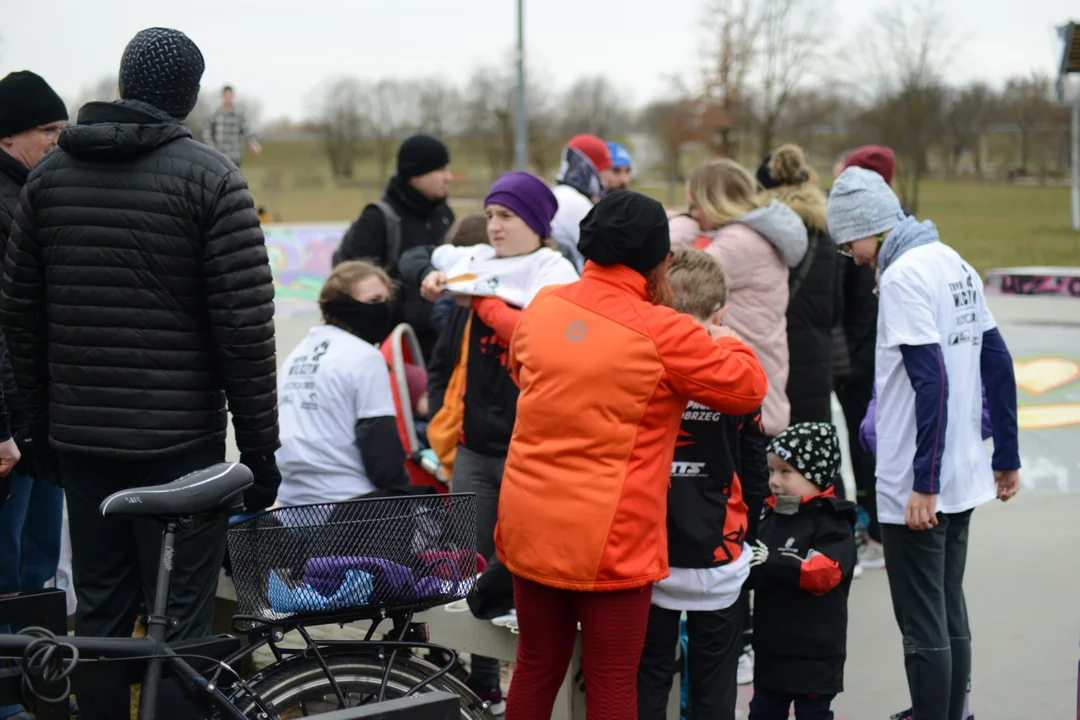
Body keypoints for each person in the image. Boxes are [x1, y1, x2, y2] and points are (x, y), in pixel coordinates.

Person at [0, 28, 281, 720]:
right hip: (180, 452)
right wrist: (261, 453)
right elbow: (244, 335)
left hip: (82, 444)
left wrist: (38, 436)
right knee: (182, 630)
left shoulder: (49, 179)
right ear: (188, 98)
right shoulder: (212, 177)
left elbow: (21, 323)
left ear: (123, 85)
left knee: (98, 623)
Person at [495, 190, 768, 720]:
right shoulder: (665, 331)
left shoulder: (545, 306)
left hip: (529, 524)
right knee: (613, 683)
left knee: (536, 665)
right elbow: (748, 388)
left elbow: (522, 373)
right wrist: (726, 338)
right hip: (610, 538)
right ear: (660, 261)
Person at [827, 167, 1020, 720]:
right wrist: (1005, 455)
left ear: (870, 227)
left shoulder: (905, 276)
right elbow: (997, 361)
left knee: (920, 619)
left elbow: (928, 378)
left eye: (850, 244)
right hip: (959, 468)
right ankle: (952, 712)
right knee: (947, 605)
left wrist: (921, 484)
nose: (852, 256)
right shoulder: (952, 260)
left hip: (919, 480)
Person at [413, 171, 578, 711]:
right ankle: (481, 680)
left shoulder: (554, 268)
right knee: (470, 566)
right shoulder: (480, 259)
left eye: (506, 216)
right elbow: (427, 259)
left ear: (535, 221)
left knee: (532, 572)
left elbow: (538, 330)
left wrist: (479, 300)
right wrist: (436, 280)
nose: (494, 226)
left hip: (532, 449)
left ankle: (534, 679)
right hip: (476, 446)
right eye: (489, 215)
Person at [636, 248, 769, 720]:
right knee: (716, 678)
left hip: (651, 549)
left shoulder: (641, 361)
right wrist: (756, 528)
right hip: (720, 550)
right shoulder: (736, 370)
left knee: (649, 675)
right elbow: (754, 464)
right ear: (722, 313)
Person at [0, 68, 68, 720]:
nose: (57, 140)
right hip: (11, 428)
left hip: (43, 420)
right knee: (8, 567)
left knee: (40, 568)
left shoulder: (35, 193)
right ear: (8, 134)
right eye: (47, 129)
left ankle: (38, 685)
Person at [687, 159, 808, 437]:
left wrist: (677, 232)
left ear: (715, 202)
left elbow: (680, 286)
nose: (692, 215)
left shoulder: (737, 242)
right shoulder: (754, 235)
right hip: (759, 385)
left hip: (746, 399)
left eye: (694, 206)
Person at [275, 261, 408, 506]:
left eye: (387, 301)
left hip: (291, 505)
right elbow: (382, 452)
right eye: (374, 300)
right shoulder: (366, 357)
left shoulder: (296, 355)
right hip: (349, 507)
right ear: (344, 305)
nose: (384, 309)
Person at [748, 422, 857, 720]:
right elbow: (752, 570)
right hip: (772, 647)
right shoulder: (771, 515)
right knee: (763, 711)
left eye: (786, 471)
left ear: (817, 474)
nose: (775, 481)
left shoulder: (834, 523)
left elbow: (825, 574)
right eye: (771, 471)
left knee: (813, 714)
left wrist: (772, 561)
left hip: (814, 653)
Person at [831, 144, 899, 568]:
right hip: (865, 353)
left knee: (868, 443)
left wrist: (850, 360)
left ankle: (876, 530)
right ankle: (875, 523)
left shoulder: (867, 230)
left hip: (864, 357)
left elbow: (857, 305)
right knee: (872, 442)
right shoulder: (889, 220)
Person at [334, 134, 455, 360]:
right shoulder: (378, 220)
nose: (448, 177)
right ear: (415, 175)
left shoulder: (444, 216)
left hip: (441, 346)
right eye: (441, 170)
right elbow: (352, 284)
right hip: (395, 350)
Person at [757, 145, 836, 426]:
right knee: (809, 454)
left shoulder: (757, 232)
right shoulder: (826, 232)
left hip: (764, 351)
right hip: (815, 356)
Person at [549, 134, 613, 271]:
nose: (607, 180)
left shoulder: (559, 193)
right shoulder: (574, 202)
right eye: (604, 171)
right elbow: (605, 251)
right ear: (588, 169)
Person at [204, 84, 261, 166]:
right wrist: (211, 147)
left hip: (235, 156)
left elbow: (248, 131)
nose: (228, 99)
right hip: (219, 155)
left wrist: (253, 144)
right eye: (226, 96)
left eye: (230, 96)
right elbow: (207, 133)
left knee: (234, 178)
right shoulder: (215, 115)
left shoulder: (239, 115)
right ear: (222, 97)